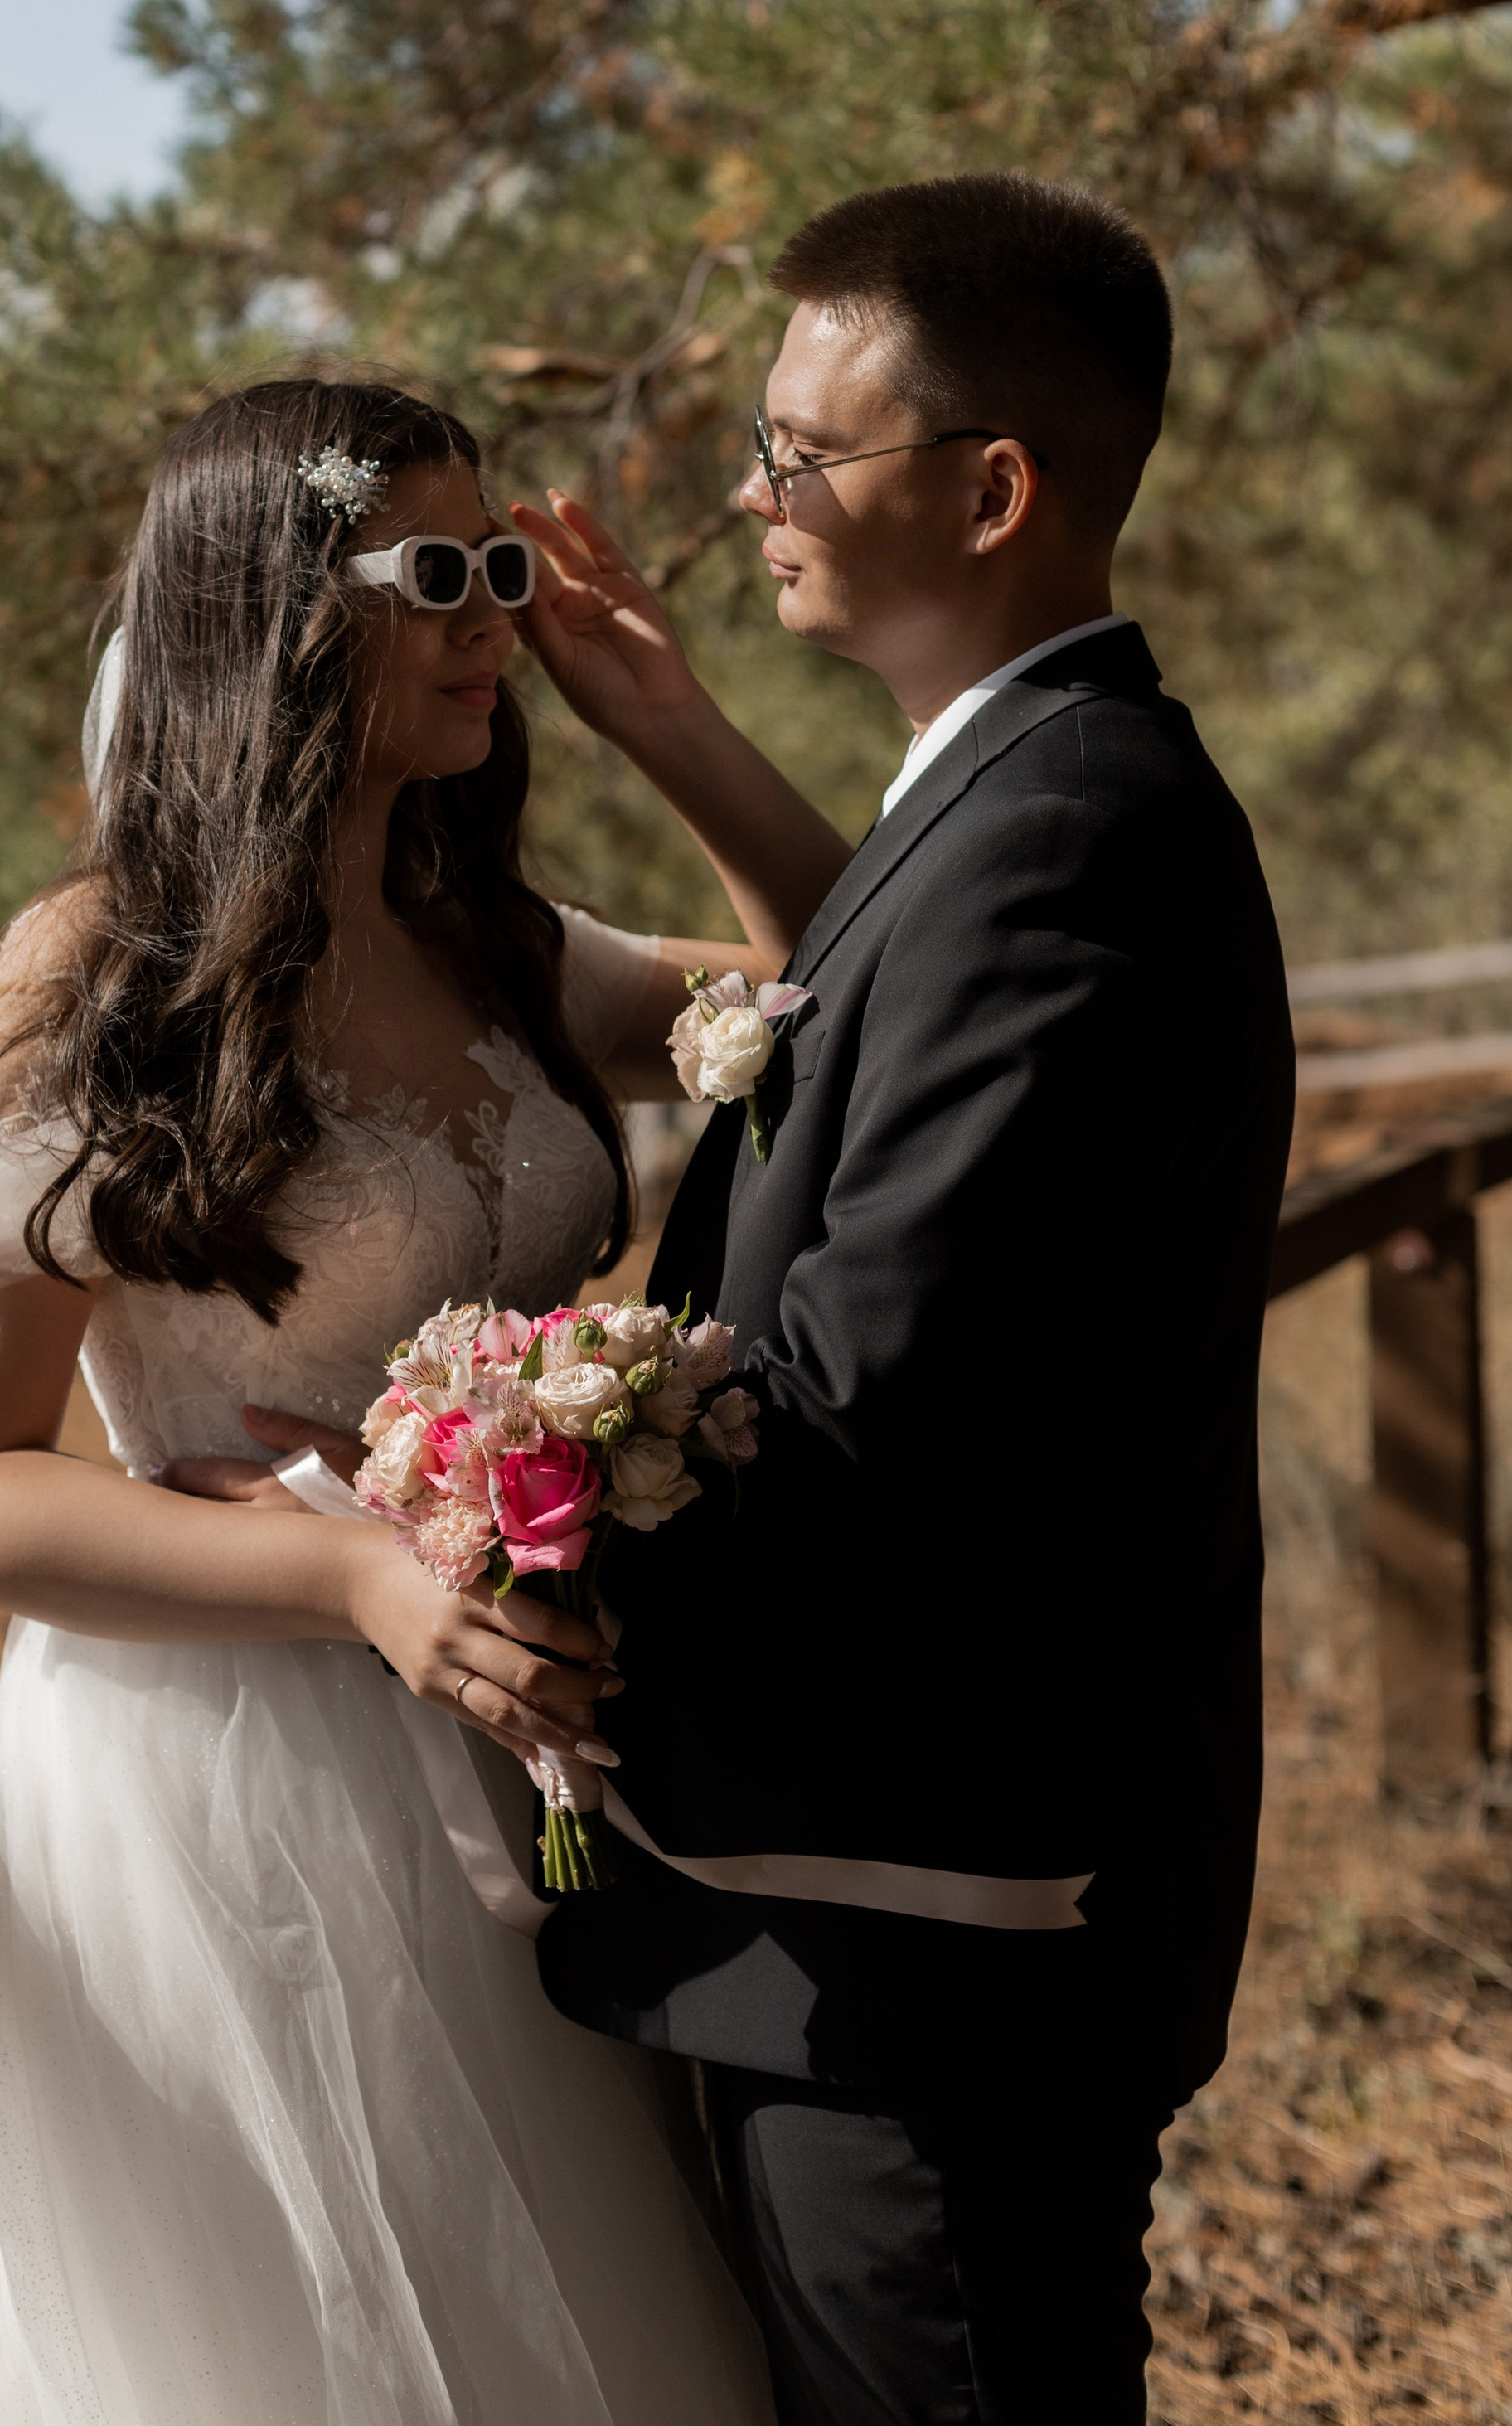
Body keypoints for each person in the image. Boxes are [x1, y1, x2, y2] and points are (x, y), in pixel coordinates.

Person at [0, 375, 846, 2426]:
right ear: (270, 612)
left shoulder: (491, 941)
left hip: (539, 1748)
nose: (492, 619)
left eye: (500, 571)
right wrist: (353, 1585)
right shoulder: (91, 987)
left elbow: (840, 984)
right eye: (439, 576)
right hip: (233, 1795)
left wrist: (662, 720)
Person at [516, 174, 1296, 2423]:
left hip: (932, 1925)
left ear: (992, 485)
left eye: (798, 449)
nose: (753, 493)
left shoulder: (1068, 834)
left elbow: (858, 1391)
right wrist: (667, 724)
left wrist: (500, 1498)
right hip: (885, 1911)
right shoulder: (1017, 801)